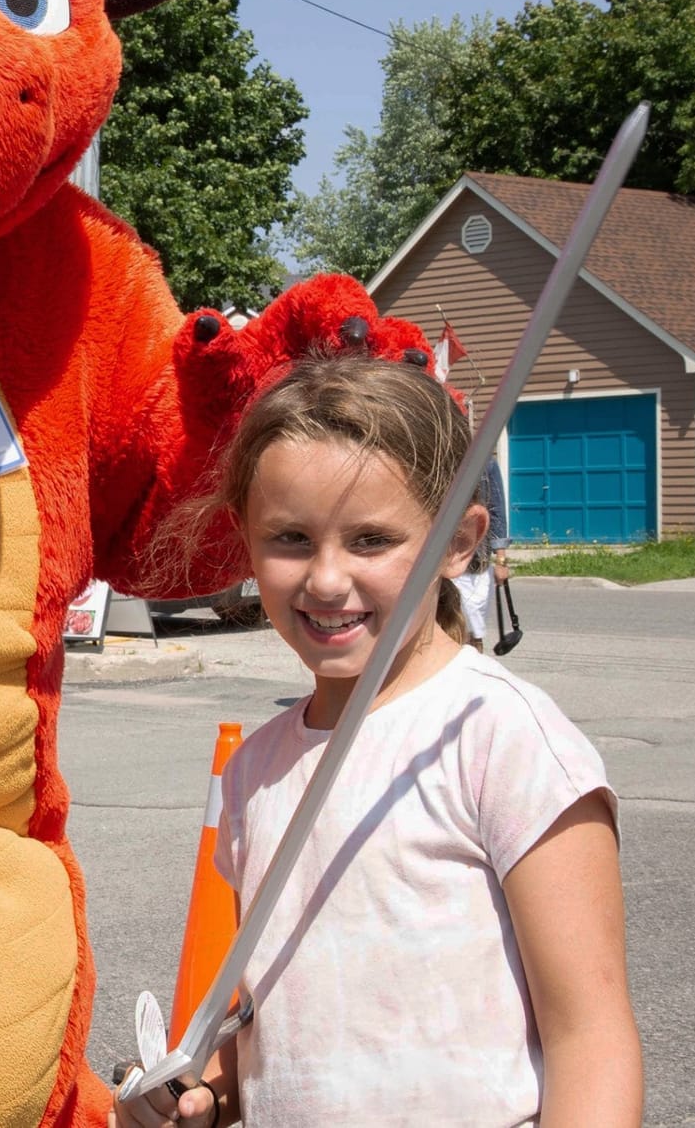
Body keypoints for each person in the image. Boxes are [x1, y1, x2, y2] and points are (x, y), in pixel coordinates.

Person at [119, 354, 640, 1128]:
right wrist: (204, 1093)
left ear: (460, 542)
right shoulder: (252, 771)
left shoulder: (501, 738)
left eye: (371, 540)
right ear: (246, 541)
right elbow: (283, 1028)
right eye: (291, 538)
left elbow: (591, 1038)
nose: (327, 581)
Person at [452, 455, 511, 650]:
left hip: (477, 560)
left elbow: (496, 513)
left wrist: (501, 561)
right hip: (442, 559)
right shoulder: (435, 456)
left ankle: (472, 658)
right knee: (451, 622)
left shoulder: (486, 464)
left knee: (475, 626)